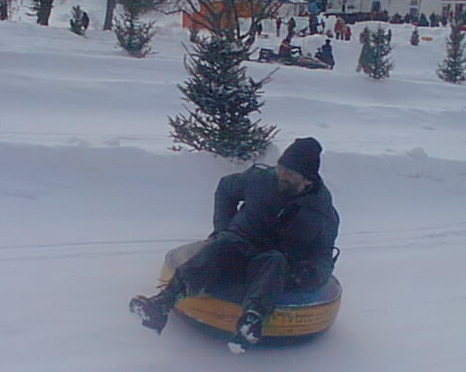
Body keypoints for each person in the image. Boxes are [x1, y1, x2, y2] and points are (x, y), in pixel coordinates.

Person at [129, 138, 340, 354]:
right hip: (241, 245)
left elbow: (323, 256)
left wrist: (310, 274)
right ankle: (163, 303)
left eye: (291, 173)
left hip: (273, 266)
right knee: (222, 246)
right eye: (281, 168)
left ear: (307, 180)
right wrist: (222, 229)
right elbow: (225, 188)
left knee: (274, 261)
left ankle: (251, 323)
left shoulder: (322, 213)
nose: (282, 175)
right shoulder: (259, 179)